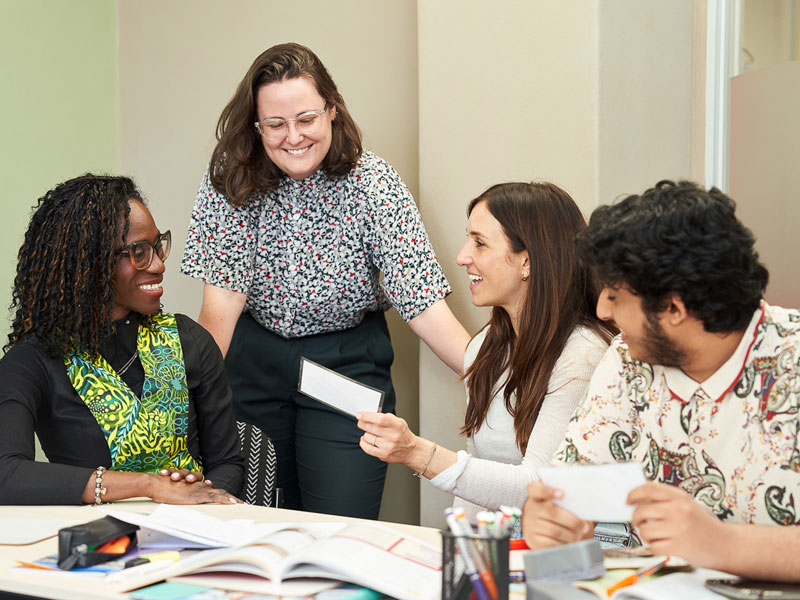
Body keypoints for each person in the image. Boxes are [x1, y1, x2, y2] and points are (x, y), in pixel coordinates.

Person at [181, 43, 469, 519]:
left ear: (332, 111)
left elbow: (421, 302)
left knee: (341, 524)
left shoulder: (373, 183)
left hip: (345, 365)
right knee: (254, 521)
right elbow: (219, 313)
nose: (293, 136)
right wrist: (189, 406)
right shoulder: (232, 180)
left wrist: (497, 381)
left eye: (306, 119)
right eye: (274, 124)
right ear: (256, 126)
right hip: (253, 363)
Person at [522, 180, 800, 581]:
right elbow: (570, 491)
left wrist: (724, 545)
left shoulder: (789, 359)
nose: (601, 310)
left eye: (615, 296)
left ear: (673, 307)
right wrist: (555, 524)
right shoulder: (626, 359)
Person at [357, 182, 614, 522]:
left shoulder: (583, 353)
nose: (463, 257)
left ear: (527, 262)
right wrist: (464, 554)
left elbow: (540, 487)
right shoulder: (485, 347)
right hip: (503, 553)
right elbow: (480, 482)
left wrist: (419, 453)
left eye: (479, 243)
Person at [0, 174, 244, 505]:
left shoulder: (190, 341)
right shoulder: (35, 359)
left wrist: (201, 495)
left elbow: (228, 463)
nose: (159, 264)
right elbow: (7, 474)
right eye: (140, 252)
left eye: (158, 246)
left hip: (190, 535)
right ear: (90, 261)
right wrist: (148, 485)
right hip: (95, 541)